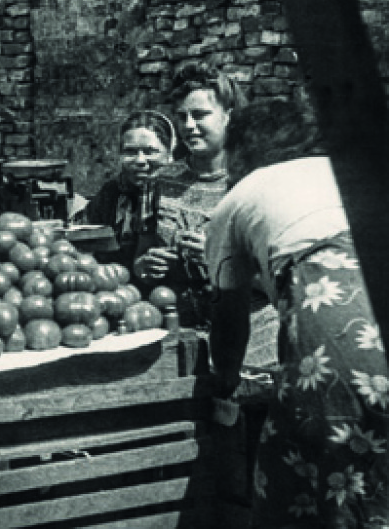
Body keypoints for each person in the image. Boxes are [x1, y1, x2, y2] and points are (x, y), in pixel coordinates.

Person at [206, 98, 388, 526]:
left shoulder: (235, 202)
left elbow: (229, 317)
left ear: (238, 151)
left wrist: (225, 387)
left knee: (297, 471)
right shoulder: (350, 170)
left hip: (344, 328)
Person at [134, 62, 247, 327]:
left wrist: (217, 259)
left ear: (228, 115)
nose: (189, 125)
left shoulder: (250, 183)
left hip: (245, 332)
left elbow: (275, 277)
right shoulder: (158, 181)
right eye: (182, 116)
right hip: (175, 326)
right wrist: (147, 266)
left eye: (199, 115)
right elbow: (140, 256)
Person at [85, 110, 176, 271]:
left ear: (169, 154)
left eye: (150, 151)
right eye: (130, 152)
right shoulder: (110, 194)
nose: (140, 160)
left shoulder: (179, 195)